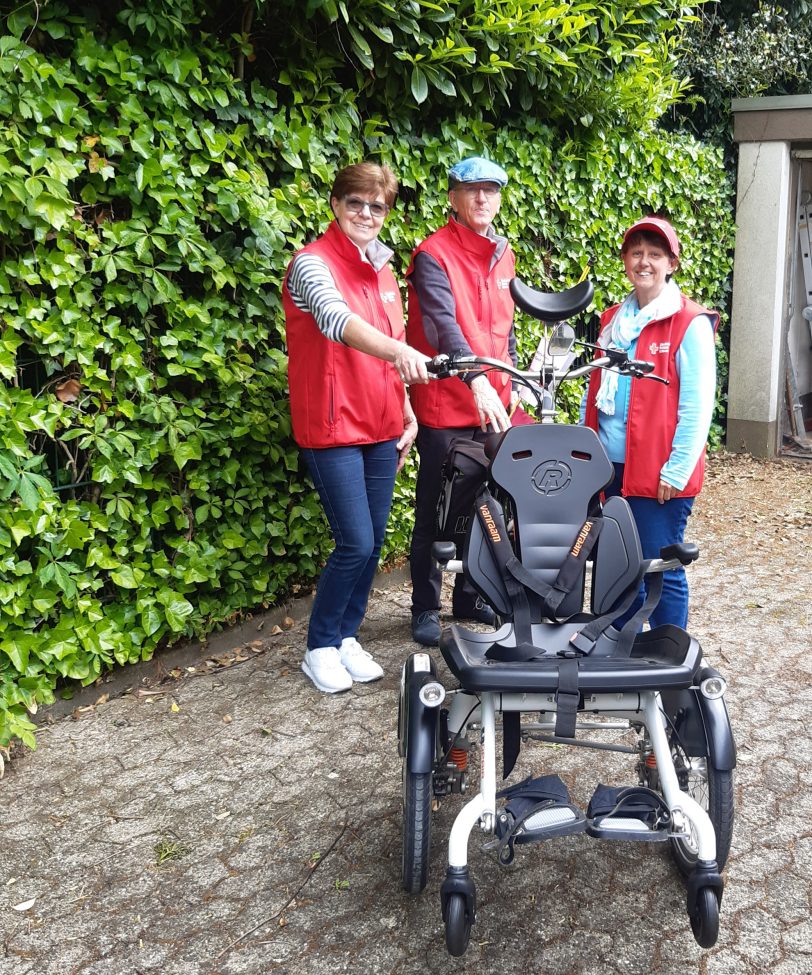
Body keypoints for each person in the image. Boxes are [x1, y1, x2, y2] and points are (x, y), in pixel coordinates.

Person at [282, 162, 431, 693]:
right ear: (335, 205)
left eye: (377, 206)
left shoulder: (384, 270)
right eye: (356, 203)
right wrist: (403, 351)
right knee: (355, 542)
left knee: (371, 546)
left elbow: (391, 348)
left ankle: (346, 637)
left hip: (383, 423)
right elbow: (335, 321)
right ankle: (320, 645)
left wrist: (409, 409)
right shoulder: (310, 264)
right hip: (332, 425)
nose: (366, 214)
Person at [582, 215, 719, 629]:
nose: (645, 262)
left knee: (660, 567)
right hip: (609, 467)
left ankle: (668, 657)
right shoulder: (610, 322)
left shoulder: (687, 323)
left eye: (655, 254)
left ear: (671, 263)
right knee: (619, 568)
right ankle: (620, 658)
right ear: (625, 260)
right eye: (636, 253)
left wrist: (676, 470)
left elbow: (697, 406)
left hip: (659, 472)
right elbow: (598, 395)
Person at [405, 156, 517, 646]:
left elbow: (506, 328)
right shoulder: (432, 255)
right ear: (452, 196)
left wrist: (511, 378)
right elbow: (442, 326)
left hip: (494, 401)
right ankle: (425, 606)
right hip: (446, 404)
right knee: (436, 505)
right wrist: (475, 379)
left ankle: (470, 594)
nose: (481, 199)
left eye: (490, 190)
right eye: (471, 189)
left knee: (489, 503)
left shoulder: (504, 254)